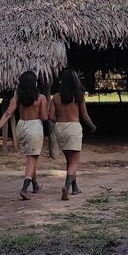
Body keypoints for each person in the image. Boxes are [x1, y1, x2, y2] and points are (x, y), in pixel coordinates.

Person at [0, 70, 49, 200]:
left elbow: (8, 112)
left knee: (30, 156)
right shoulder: (40, 98)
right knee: (32, 159)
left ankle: (35, 185)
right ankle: (24, 188)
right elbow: (44, 117)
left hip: (22, 126)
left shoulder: (18, 96)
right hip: (35, 127)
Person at [49, 68, 97, 200]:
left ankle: (75, 188)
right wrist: (92, 126)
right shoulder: (79, 96)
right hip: (73, 127)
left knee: (69, 161)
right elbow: (85, 116)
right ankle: (67, 187)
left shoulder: (56, 97)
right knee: (75, 161)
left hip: (60, 128)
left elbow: (51, 117)